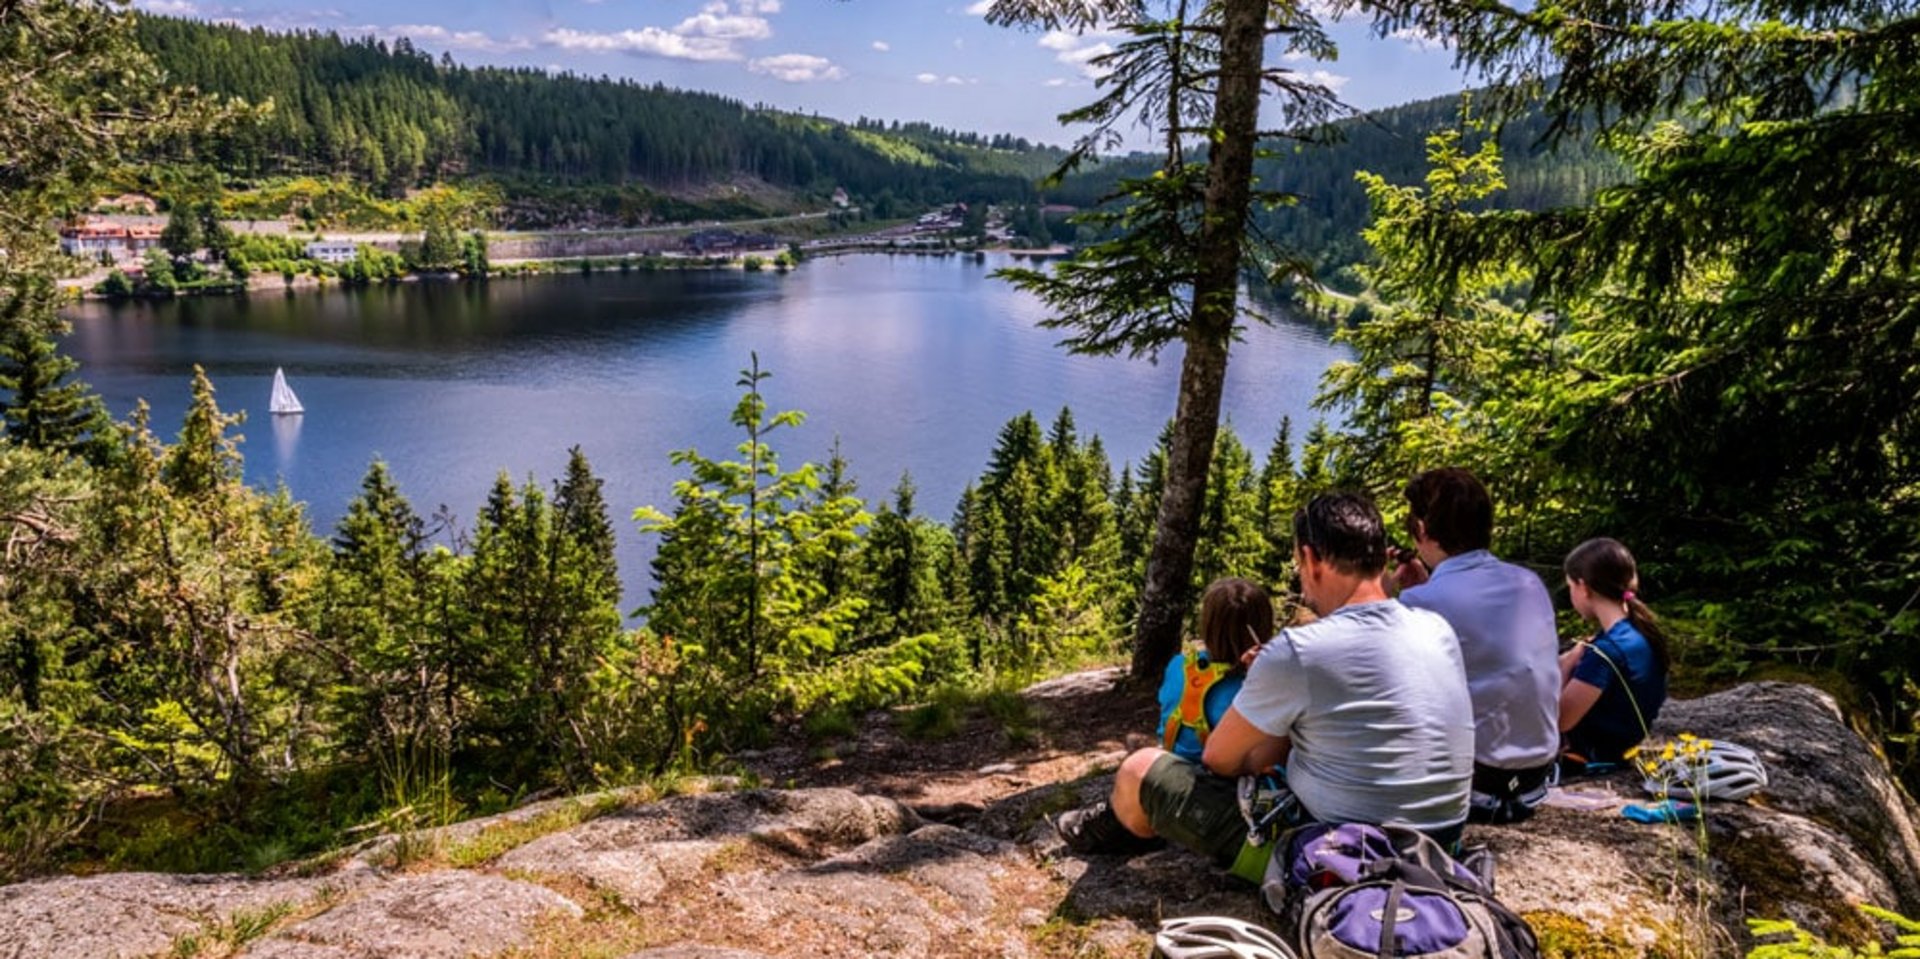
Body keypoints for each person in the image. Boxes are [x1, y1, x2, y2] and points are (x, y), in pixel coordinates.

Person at [1056, 493, 1475, 876]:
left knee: (1139, 768)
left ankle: (1119, 825)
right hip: (1441, 850)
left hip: (1341, 860)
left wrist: (1269, 689)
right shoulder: (1436, 629)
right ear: (1380, 560)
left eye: (1298, 566)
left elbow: (1220, 760)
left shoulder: (1300, 650)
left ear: (1311, 559)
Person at [1394, 467, 1561, 824]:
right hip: (1536, 778)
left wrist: (1388, 596)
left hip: (1475, 785)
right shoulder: (1529, 583)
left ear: (1421, 529)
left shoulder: (1420, 602)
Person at [1559, 537, 1670, 767]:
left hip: (1591, 757)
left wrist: (1568, 663)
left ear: (1583, 587)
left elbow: (1560, 720)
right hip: (1619, 750)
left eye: (1570, 587)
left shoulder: (1606, 652)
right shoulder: (1640, 634)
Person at [1156, 577, 1275, 764]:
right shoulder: (1255, 688)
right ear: (1264, 626)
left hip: (1172, 768)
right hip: (1223, 783)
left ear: (1208, 624)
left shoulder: (1178, 665)